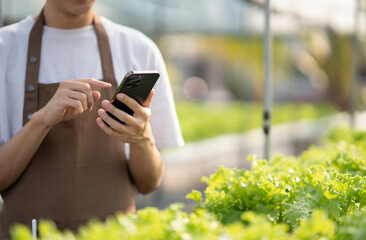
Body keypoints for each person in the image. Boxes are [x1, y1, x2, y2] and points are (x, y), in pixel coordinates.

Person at [0, 0, 184, 238]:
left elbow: (149, 182)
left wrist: (141, 138)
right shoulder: (6, 48)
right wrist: (41, 121)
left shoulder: (138, 48)